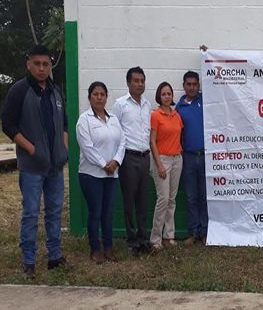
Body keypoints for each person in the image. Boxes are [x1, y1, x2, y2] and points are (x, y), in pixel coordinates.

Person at [1, 45, 69, 278]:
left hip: (56, 165)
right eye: (37, 64)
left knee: (54, 211)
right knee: (31, 212)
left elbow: (65, 123)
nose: (41, 68)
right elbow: (8, 125)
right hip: (32, 166)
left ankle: (54, 256)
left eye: (46, 64)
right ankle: (28, 260)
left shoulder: (55, 91)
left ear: (51, 65)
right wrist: (31, 148)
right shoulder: (19, 90)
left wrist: (63, 146)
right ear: (28, 64)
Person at [76, 81, 126, 263]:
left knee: (108, 212)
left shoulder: (113, 118)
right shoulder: (84, 120)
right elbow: (87, 147)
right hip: (91, 175)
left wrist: (116, 162)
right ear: (89, 97)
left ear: (106, 97)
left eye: (102, 94)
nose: (99, 97)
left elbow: (122, 141)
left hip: (112, 175)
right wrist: (104, 164)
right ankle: (95, 249)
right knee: (95, 211)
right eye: (95, 94)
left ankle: (108, 248)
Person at [112, 66, 152, 254]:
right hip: (129, 157)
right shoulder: (120, 104)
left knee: (143, 201)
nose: (139, 84)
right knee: (129, 200)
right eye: (136, 81)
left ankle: (144, 239)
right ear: (128, 83)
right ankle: (132, 240)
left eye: (142, 81)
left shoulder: (147, 104)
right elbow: (116, 132)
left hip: (145, 157)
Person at [149, 82, 184, 250]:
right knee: (162, 199)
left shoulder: (176, 115)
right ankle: (155, 239)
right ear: (159, 96)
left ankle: (168, 235)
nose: (167, 96)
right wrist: (159, 164)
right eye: (163, 94)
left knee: (172, 199)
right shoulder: (156, 115)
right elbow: (152, 141)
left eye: (169, 93)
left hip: (177, 159)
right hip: (161, 159)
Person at [176, 70, 208, 245]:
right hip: (187, 157)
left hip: (205, 156)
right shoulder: (179, 108)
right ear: (183, 86)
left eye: (195, 84)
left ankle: (204, 231)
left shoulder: (206, 100)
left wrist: (208, 55)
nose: (192, 87)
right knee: (190, 197)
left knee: (204, 196)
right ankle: (193, 232)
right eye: (188, 84)